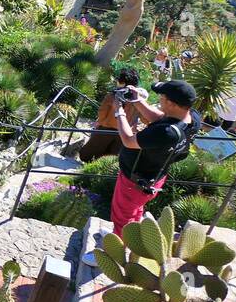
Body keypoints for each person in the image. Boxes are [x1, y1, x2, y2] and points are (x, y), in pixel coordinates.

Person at [110, 79, 200, 236]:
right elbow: (160, 118)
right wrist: (137, 101)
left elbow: (128, 140)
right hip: (153, 177)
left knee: (122, 217)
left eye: (162, 97)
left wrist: (119, 111)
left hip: (135, 180)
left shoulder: (166, 133)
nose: (159, 99)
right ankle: (129, 239)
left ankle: (115, 252)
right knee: (135, 210)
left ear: (172, 103)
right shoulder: (192, 117)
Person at [76, 68, 142, 163]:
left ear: (122, 82)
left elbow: (102, 113)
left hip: (106, 128)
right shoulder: (137, 98)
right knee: (112, 157)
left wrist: (100, 123)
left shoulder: (112, 96)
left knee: (87, 155)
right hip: (124, 132)